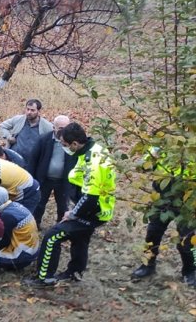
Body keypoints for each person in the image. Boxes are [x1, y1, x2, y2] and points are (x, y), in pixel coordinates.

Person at [23, 122, 116, 287]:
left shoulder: (91, 162)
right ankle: (75, 271)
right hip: (97, 207)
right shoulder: (93, 149)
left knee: (52, 236)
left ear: (75, 143)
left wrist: (73, 213)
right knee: (80, 238)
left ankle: (45, 278)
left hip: (94, 210)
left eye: (65, 145)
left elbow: (90, 197)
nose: (64, 148)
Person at [130, 149, 196, 287]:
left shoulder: (192, 146)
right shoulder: (162, 143)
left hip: (186, 202)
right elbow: (142, 166)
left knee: (186, 240)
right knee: (153, 233)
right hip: (162, 199)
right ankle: (147, 264)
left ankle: (190, 271)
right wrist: (153, 155)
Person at [28, 115, 76, 229]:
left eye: (66, 128)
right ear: (53, 127)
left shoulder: (73, 143)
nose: (63, 131)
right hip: (44, 179)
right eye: (60, 128)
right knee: (39, 203)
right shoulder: (44, 139)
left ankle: (61, 227)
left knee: (63, 205)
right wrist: (31, 179)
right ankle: (35, 224)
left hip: (63, 181)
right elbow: (33, 159)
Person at [0, 187, 40, 270]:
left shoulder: (7, 216)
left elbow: (3, 241)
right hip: (31, 250)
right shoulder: (14, 205)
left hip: (21, 256)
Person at [0, 99, 53, 167]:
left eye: (32, 110)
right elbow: (2, 126)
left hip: (32, 163)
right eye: (27, 109)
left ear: (39, 111)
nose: (29, 112)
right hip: (13, 160)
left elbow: (53, 140)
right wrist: (9, 137)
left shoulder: (47, 126)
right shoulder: (18, 119)